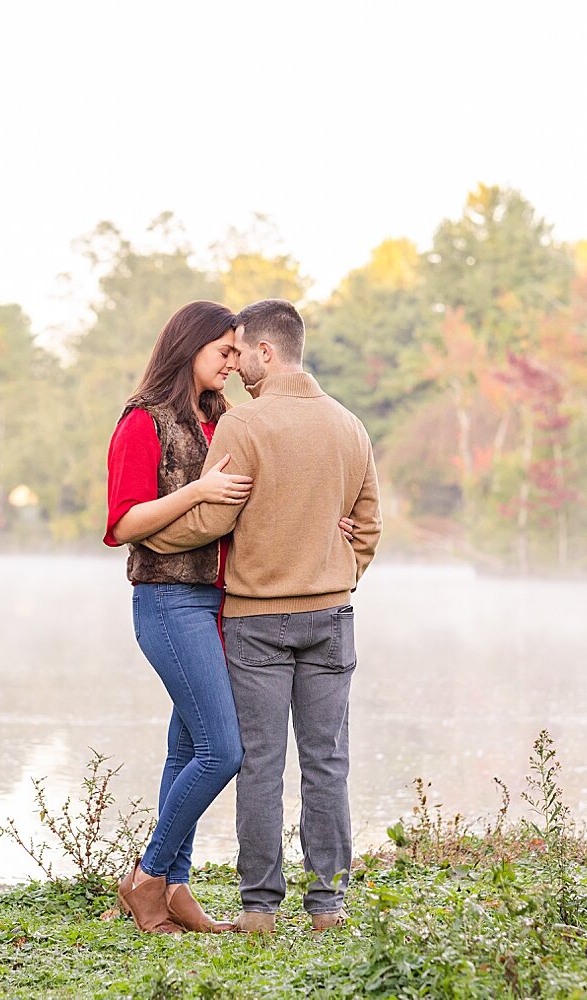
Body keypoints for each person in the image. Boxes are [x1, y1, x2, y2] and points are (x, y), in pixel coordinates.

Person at [142, 298, 382, 934]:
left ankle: (259, 909)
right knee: (328, 762)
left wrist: (146, 536)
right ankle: (328, 906)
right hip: (332, 615)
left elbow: (214, 517)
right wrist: (334, 573)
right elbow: (369, 526)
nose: (237, 365)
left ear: (267, 353)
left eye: (242, 351)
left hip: (255, 621)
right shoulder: (350, 427)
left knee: (261, 764)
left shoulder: (244, 427)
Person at [103, 300, 252, 934]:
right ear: (190, 347)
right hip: (168, 602)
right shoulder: (144, 421)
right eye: (225, 351)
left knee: (187, 747)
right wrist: (195, 491)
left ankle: (176, 888)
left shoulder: (223, 422)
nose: (234, 363)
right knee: (223, 751)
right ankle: (147, 878)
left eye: (239, 352)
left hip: (220, 603)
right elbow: (122, 523)